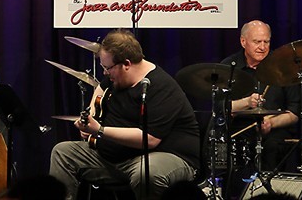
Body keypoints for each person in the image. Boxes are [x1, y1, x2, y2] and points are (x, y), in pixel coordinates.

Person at [49, 29, 200, 200]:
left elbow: (149, 139)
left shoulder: (161, 87)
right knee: (63, 153)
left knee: (146, 174)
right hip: (116, 158)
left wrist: (99, 130)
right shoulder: (117, 78)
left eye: (107, 68)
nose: (105, 73)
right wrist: (89, 120)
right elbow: (100, 91)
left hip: (165, 156)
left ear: (126, 64)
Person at [221, 20, 300, 172]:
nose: (262, 47)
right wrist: (247, 102)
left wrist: (271, 123)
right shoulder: (228, 67)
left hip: (274, 131)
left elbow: (295, 112)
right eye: (257, 42)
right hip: (239, 128)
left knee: (273, 146)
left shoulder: (284, 67)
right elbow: (220, 107)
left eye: (266, 42)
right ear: (243, 42)